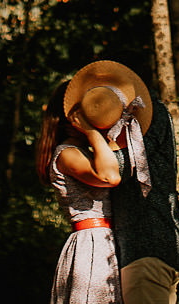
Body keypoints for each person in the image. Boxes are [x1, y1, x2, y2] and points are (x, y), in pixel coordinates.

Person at [62, 61, 179, 304]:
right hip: (163, 245)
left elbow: (113, 171)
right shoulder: (156, 113)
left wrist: (91, 132)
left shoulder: (139, 124)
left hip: (144, 249)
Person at [36, 77, 123, 304]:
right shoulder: (67, 153)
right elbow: (110, 177)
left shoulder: (87, 151)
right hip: (93, 243)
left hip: (105, 242)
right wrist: (92, 132)